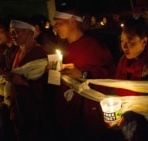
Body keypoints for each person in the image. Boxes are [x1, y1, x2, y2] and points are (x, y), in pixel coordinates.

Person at [52, 9, 122, 141]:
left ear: (72, 22)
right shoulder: (62, 47)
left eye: (58, 23)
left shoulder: (92, 45)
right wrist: (50, 70)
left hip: (88, 113)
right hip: (67, 109)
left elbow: (109, 74)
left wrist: (82, 74)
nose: (55, 27)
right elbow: (55, 78)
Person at [7, 19, 52, 141]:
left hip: (34, 109)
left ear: (30, 33)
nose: (13, 35)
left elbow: (47, 84)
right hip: (18, 105)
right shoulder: (17, 52)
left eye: (17, 32)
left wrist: (22, 82)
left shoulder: (40, 53)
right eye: (11, 32)